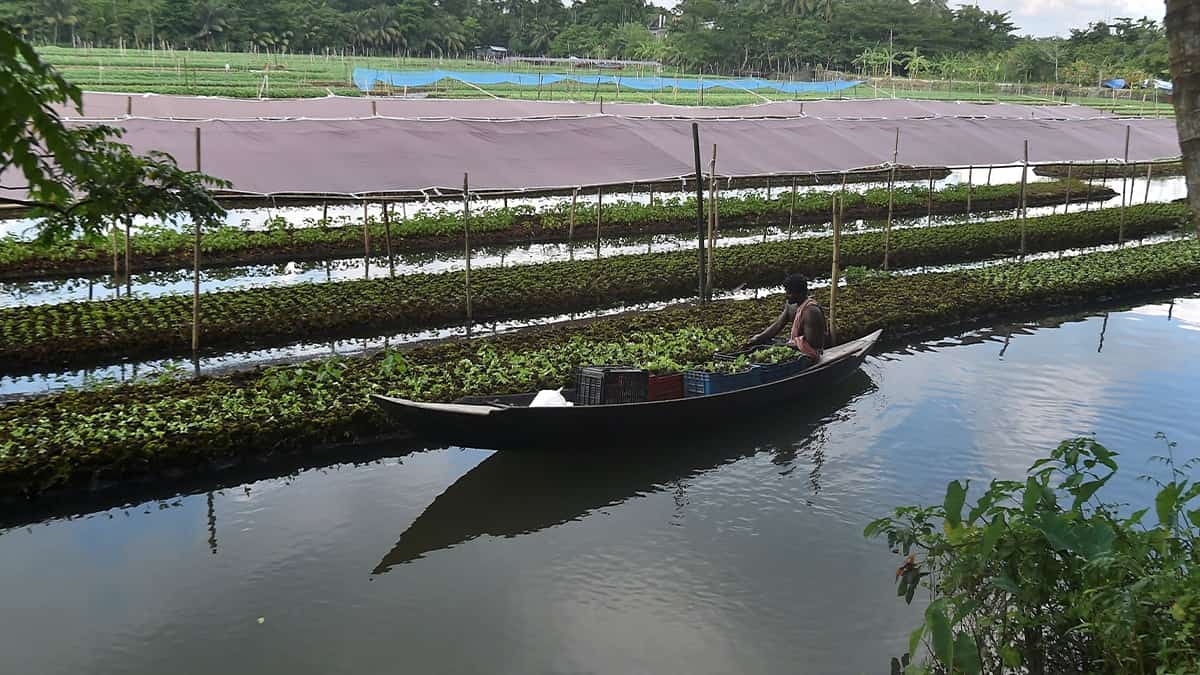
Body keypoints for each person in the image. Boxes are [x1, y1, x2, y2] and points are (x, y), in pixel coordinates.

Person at [743, 273, 828, 364]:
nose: (786, 296)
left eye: (790, 293)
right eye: (786, 292)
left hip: (809, 354)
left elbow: (812, 345)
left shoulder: (811, 312)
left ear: (801, 293)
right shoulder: (791, 306)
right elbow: (777, 325)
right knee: (763, 342)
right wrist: (758, 338)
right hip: (795, 346)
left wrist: (781, 346)